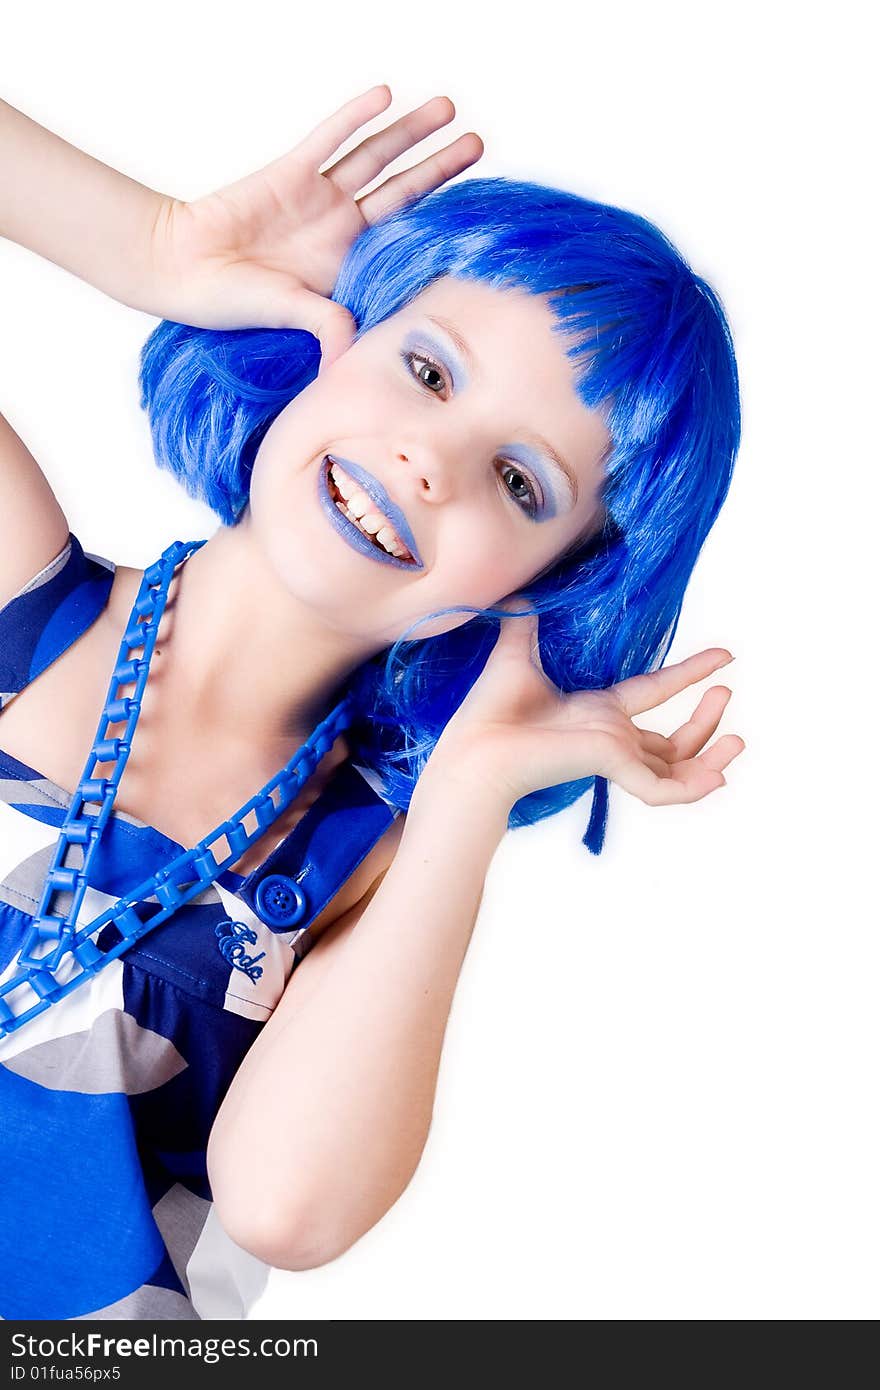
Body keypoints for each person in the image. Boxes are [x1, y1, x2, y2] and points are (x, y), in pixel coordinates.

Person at [0, 85, 745, 1319]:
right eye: (426, 367)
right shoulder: (23, 590)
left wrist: (464, 807)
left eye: (517, 480)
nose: (430, 460)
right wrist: (149, 244)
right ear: (320, 338)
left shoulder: (368, 863)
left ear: (544, 587)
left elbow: (288, 1207)